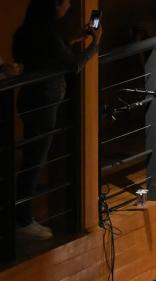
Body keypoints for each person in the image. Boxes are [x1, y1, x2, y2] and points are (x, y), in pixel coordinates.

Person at [12, 0, 101, 239]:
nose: (68, 6)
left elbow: (43, 58)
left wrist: (69, 42)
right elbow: (74, 65)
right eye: (65, 3)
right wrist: (95, 43)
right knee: (35, 160)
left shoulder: (27, 31)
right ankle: (23, 220)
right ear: (54, 6)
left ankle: (21, 216)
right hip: (43, 104)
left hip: (29, 100)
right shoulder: (47, 34)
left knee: (31, 158)